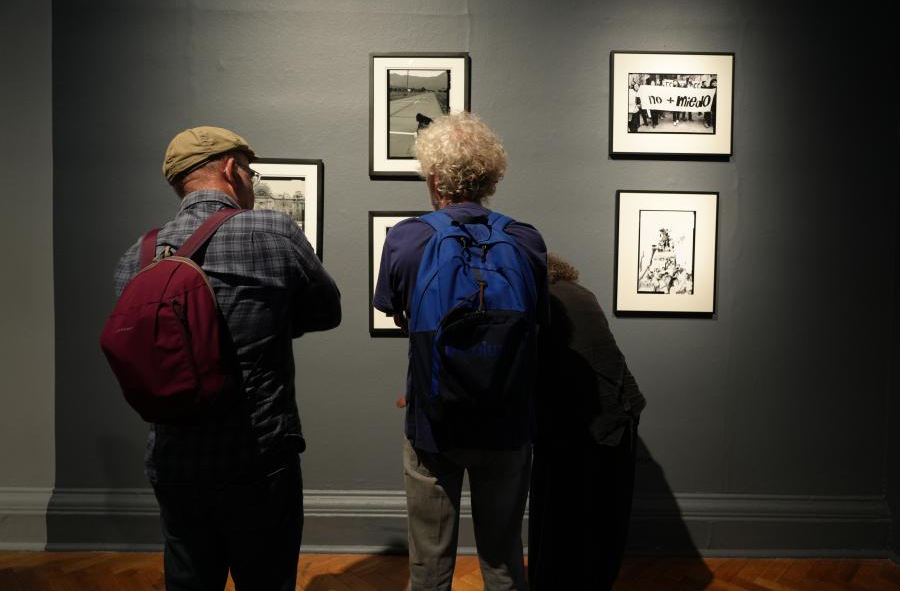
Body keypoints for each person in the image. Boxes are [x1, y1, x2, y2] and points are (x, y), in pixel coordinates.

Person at [113, 125, 341, 591]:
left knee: (188, 580)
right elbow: (327, 312)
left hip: (174, 461)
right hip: (257, 456)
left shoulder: (137, 256)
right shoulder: (272, 230)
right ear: (233, 169)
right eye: (250, 172)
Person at [373, 112, 548, 591]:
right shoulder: (526, 240)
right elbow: (538, 323)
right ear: (492, 177)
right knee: (504, 558)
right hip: (509, 420)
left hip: (433, 420)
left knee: (428, 564)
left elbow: (396, 312)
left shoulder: (408, 238)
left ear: (433, 177)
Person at [527, 254, 646, 591]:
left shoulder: (543, 299)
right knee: (602, 517)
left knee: (560, 516)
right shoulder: (578, 291)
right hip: (614, 412)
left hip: (583, 419)